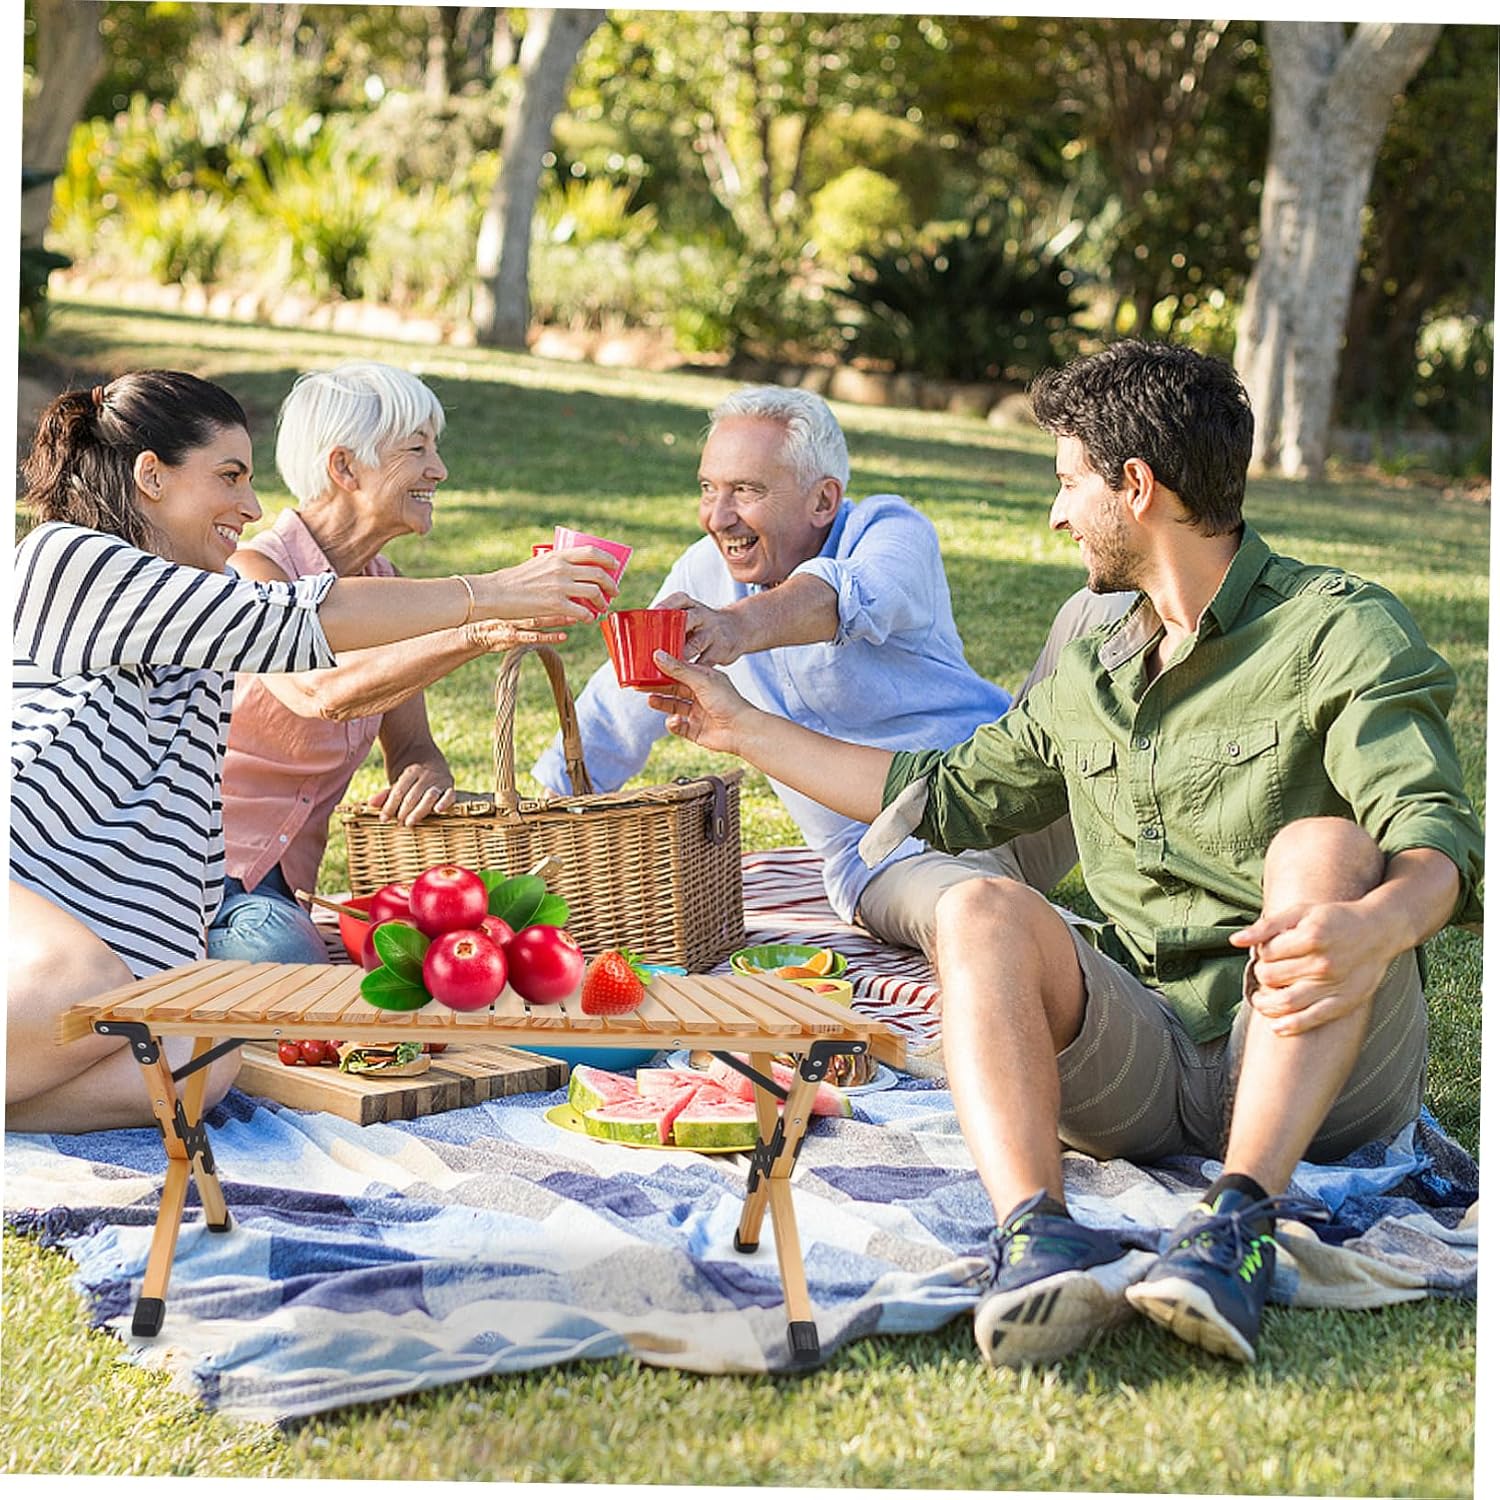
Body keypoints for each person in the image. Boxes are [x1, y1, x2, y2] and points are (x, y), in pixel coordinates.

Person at [644, 341, 1483, 1369]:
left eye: (1067, 483)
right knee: (976, 909)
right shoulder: (1093, 656)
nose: (1054, 514)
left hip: (1328, 1061)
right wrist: (734, 725)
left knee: (1323, 844)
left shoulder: (1339, 630)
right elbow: (943, 794)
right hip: (1152, 1058)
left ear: (1135, 488)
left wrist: (1373, 926)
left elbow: (1434, 832)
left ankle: (1235, 1230)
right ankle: (1038, 1240)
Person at [8, 370, 618, 1133]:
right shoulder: (70, 560)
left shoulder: (196, 626)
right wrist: (495, 592)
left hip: (111, 937)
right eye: (229, 477)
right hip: (24, 893)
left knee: (207, 1060)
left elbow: (192, 833)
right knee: (83, 977)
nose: (252, 506)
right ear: (151, 476)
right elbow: (295, 624)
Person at [532, 385, 1130, 959]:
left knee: (1107, 605)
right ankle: (1087, 954)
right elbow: (621, 701)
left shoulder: (892, 532)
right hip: (887, 855)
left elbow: (845, 596)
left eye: (746, 490)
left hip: (1016, 789)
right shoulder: (701, 575)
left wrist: (736, 626)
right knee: (980, 917)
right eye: (708, 488)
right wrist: (540, 824)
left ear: (823, 499)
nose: (718, 516)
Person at [209, 361, 542, 964]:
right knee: (291, 970)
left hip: (284, 893)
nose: (438, 470)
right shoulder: (255, 573)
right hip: (209, 881)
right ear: (344, 467)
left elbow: (412, 746)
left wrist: (427, 773)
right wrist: (476, 627)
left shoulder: (385, 586)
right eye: (416, 449)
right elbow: (324, 691)